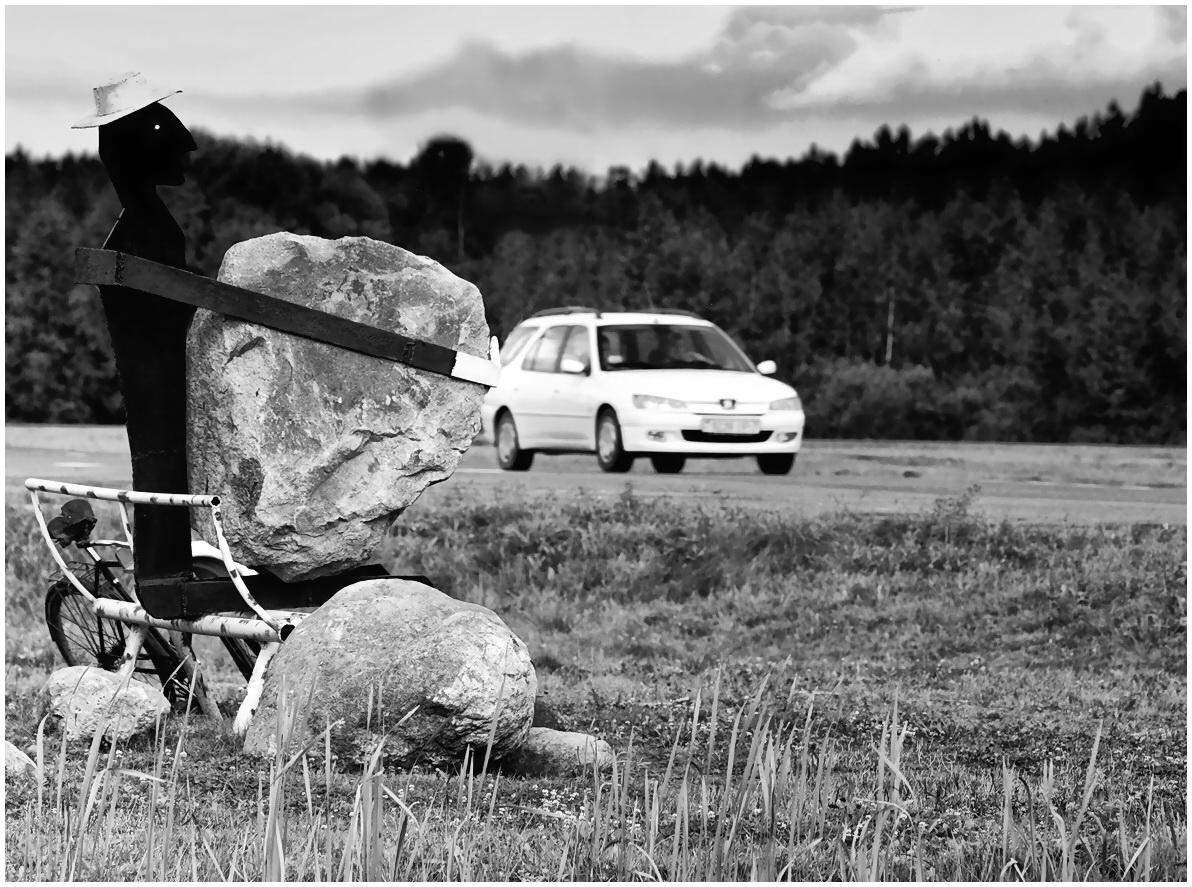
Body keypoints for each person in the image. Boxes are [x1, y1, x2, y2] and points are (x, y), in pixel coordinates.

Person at [73, 73, 198, 588]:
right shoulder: (144, 229)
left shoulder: (148, 225)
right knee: (160, 463)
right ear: (135, 146)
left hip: (165, 389)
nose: (184, 140)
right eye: (160, 126)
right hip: (158, 395)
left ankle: (166, 564)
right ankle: (162, 570)